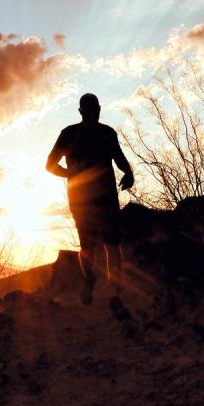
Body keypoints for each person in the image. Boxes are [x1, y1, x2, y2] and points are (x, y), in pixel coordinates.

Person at [46, 93, 134, 305]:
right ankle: (115, 293)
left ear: (80, 111)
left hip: (82, 197)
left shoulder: (70, 133)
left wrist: (70, 174)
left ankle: (96, 283)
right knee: (110, 245)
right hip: (104, 197)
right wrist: (128, 173)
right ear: (95, 109)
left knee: (90, 246)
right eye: (93, 109)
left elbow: (50, 165)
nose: (95, 112)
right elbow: (120, 160)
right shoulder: (106, 133)